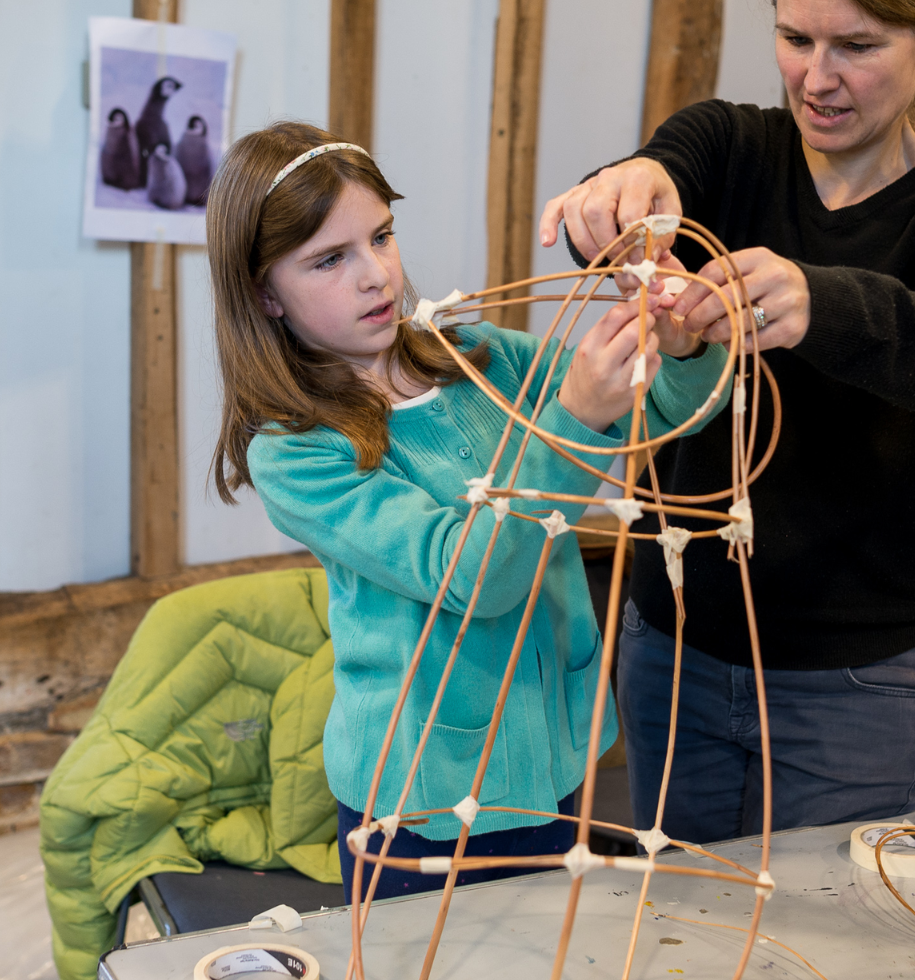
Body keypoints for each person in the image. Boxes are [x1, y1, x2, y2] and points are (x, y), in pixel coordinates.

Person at [537, 0, 915, 842]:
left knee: (836, 936)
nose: (818, 78)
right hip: (675, 649)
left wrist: (824, 301)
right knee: (685, 921)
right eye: (795, 37)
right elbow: (661, 176)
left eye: (857, 44)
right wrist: (621, 197)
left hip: (856, 679)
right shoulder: (729, 148)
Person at [205, 122, 730, 898]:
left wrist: (679, 346)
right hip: (425, 796)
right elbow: (471, 577)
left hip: (554, 754)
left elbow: (652, 419)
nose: (375, 275)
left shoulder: (480, 355)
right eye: (329, 259)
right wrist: (577, 417)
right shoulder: (296, 452)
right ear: (264, 296)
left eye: (381, 236)